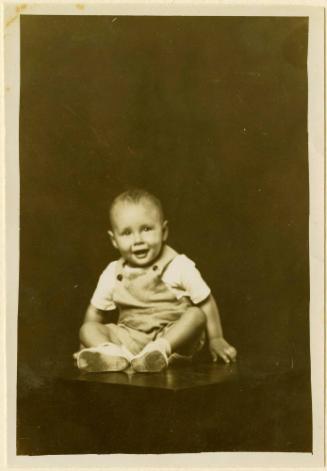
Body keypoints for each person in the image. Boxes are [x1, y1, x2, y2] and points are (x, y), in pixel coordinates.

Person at [74, 189, 237, 373]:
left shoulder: (178, 265)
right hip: (130, 338)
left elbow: (206, 301)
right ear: (114, 240)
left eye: (146, 229)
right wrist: (87, 346)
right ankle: (113, 354)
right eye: (127, 233)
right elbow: (95, 311)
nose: (138, 240)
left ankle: (159, 351)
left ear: (164, 231)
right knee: (87, 329)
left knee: (196, 314)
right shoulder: (113, 272)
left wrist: (216, 338)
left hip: (172, 336)